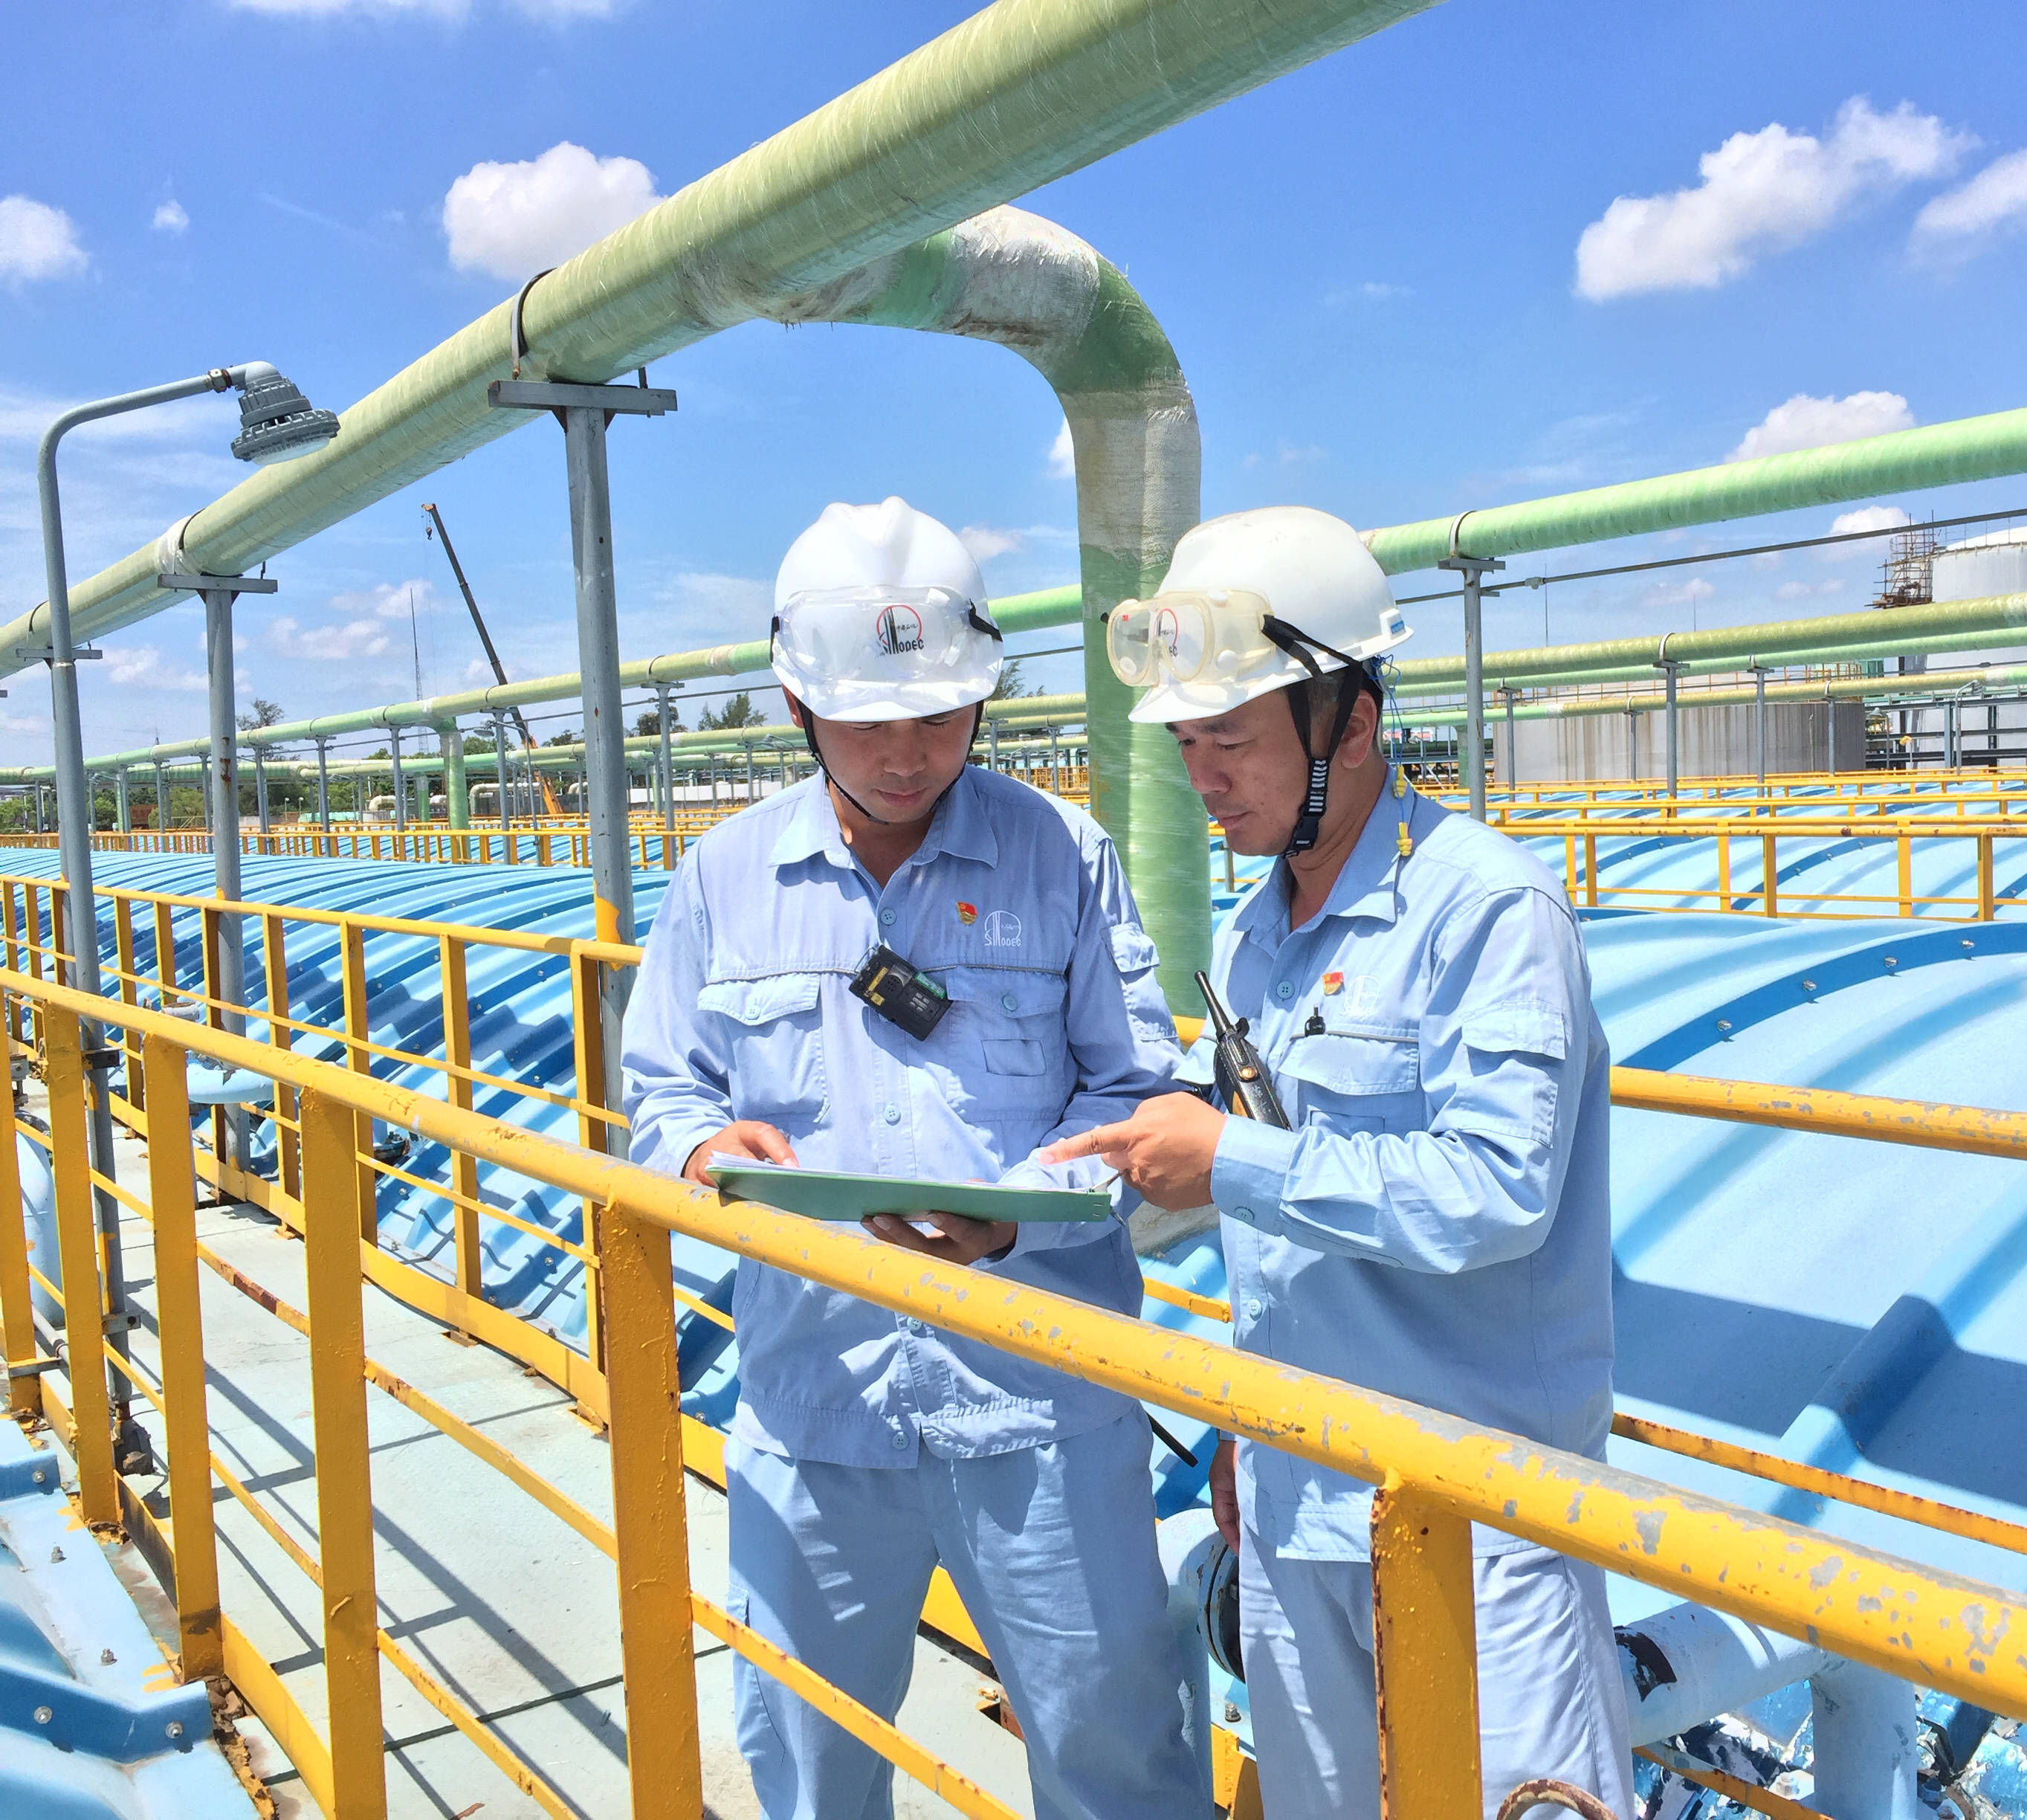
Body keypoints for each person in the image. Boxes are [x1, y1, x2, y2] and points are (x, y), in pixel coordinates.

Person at [621, 497, 1204, 1820]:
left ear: (984, 704)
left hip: (1041, 1399)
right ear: (792, 704)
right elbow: (661, 1082)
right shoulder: (723, 877)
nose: (905, 753)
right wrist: (706, 1144)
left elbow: (1135, 1090)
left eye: (938, 718)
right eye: (869, 722)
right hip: (815, 1397)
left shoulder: (1063, 857)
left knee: (1112, 1749)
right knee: (809, 1750)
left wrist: (1023, 1221)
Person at [1044, 505, 1630, 1816]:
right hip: (1297, 1491)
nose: (1204, 776)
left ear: (1350, 724)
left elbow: (1498, 1193)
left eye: (1233, 740)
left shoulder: (1486, 910)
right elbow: (1262, 1209)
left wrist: (1234, 1160)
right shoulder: (1258, 932)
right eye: (1187, 742)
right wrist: (1247, 1433)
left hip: (1481, 1517)